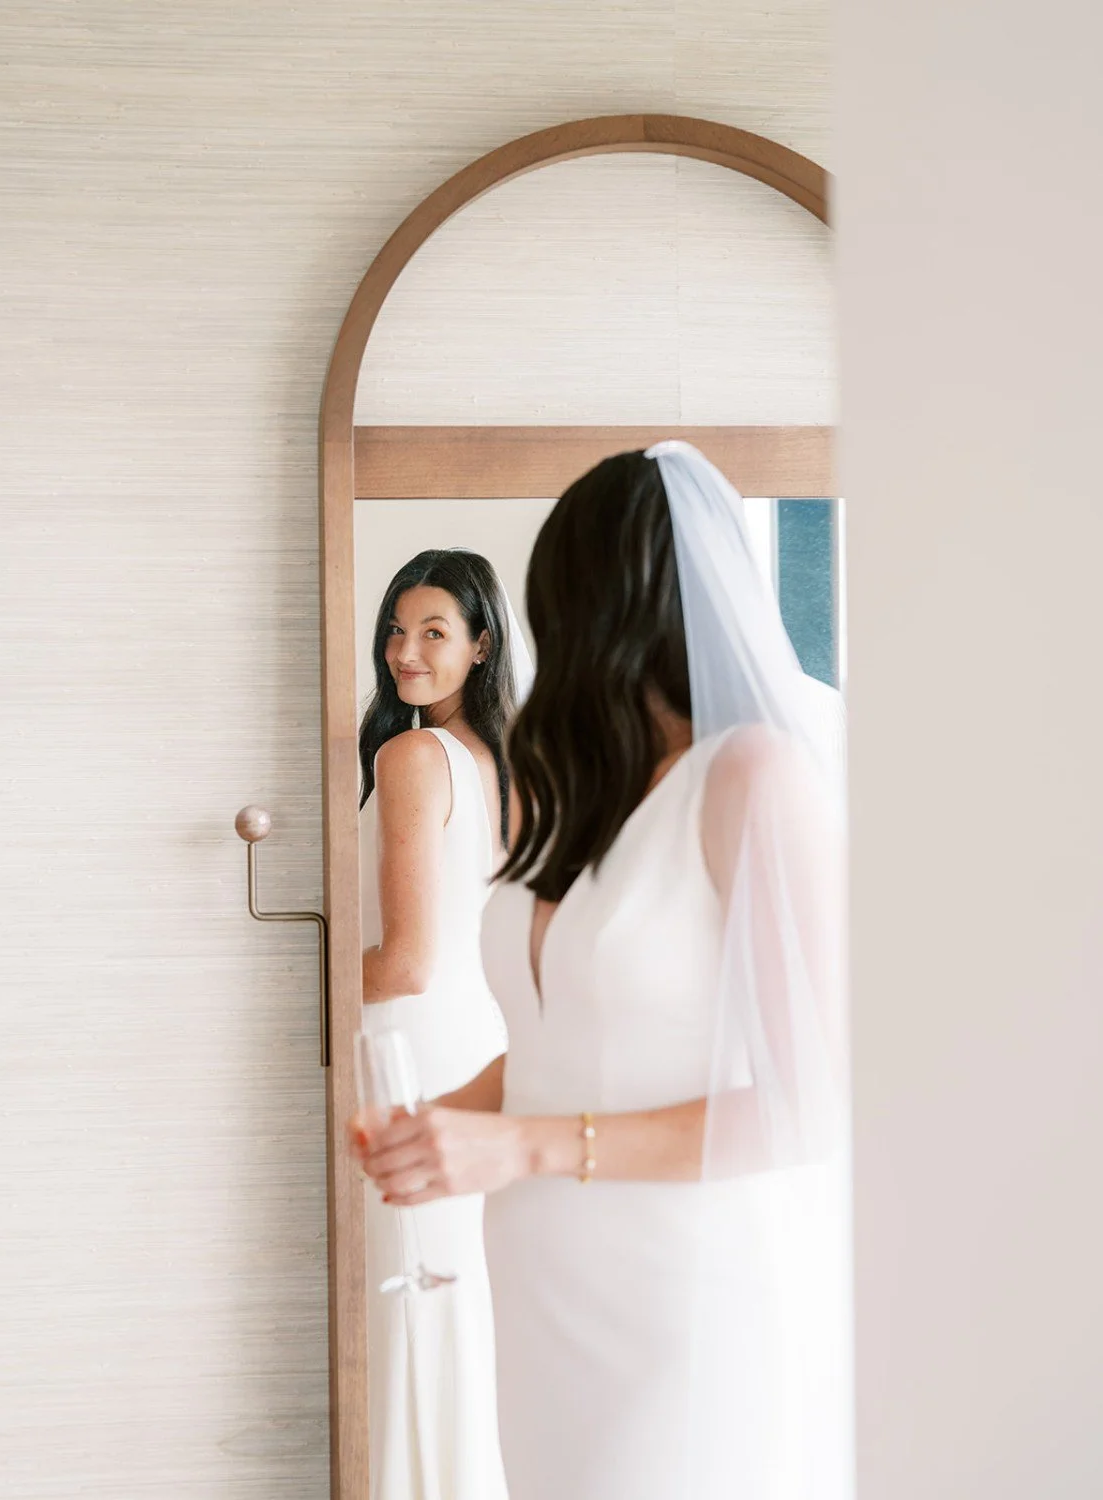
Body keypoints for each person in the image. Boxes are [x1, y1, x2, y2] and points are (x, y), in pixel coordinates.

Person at [355, 447, 853, 1500]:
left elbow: (814, 1102)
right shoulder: (597, 787)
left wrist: (519, 1144)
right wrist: (442, 1123)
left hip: (679, 1300)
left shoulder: (755, 774)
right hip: (542, 1301)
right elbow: (563, 1039)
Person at [357, 548, 527, 1500]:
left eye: (433, 633)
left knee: (414, 1293)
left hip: (412, 1045)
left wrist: (307, 986)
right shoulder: (507, 760)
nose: (404, 653)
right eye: (395, 628)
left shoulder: (415, 755)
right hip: (479, 1038)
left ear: (481, 646)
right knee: (454, 1292)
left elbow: (407, 959)